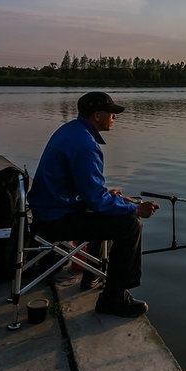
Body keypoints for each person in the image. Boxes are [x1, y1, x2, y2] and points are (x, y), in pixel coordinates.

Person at [27, 91, 160, 317]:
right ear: (98, 115)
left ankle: (93, 274)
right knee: (130, 224)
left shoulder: (71, 131)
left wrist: (112, 197)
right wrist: (135, 208)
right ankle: (113, 298)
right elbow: (96, 200)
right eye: (112, 113)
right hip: (54, 221)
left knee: (110, 209)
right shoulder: (85, 145)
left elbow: (89, 193)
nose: (114, 118)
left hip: (49, 211)